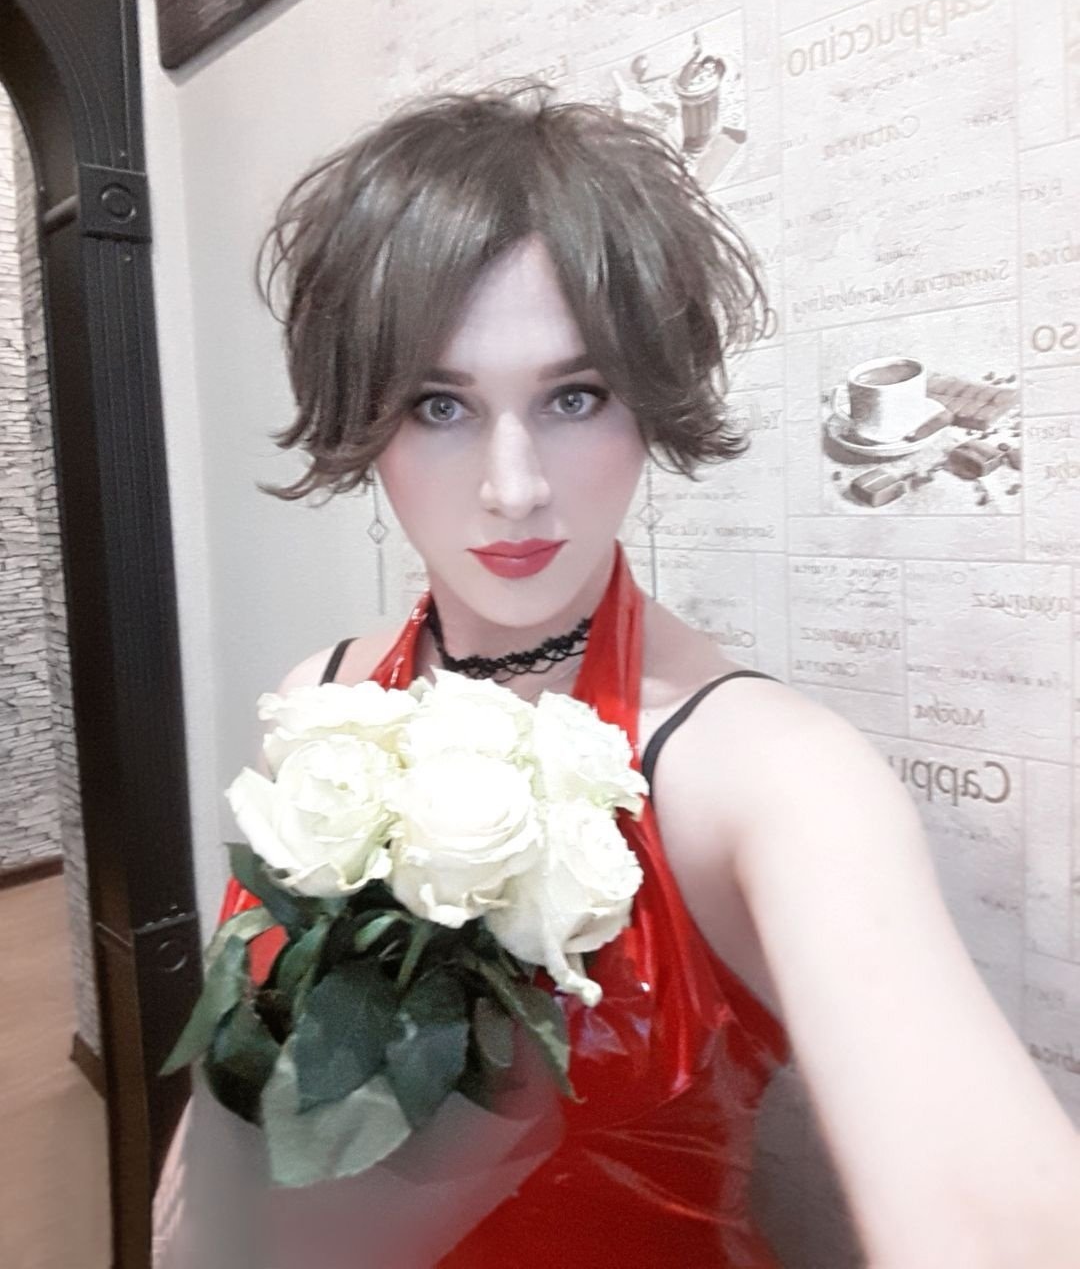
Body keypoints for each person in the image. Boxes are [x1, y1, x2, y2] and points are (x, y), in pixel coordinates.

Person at [156, 86, 1080, 1269]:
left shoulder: (769, 776)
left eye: (573, 398)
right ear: (368, 419)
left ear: (646, 403)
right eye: (440, 404)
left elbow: (989, 1215)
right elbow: (241, 1082)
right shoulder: (319, 702)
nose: (515, 489)